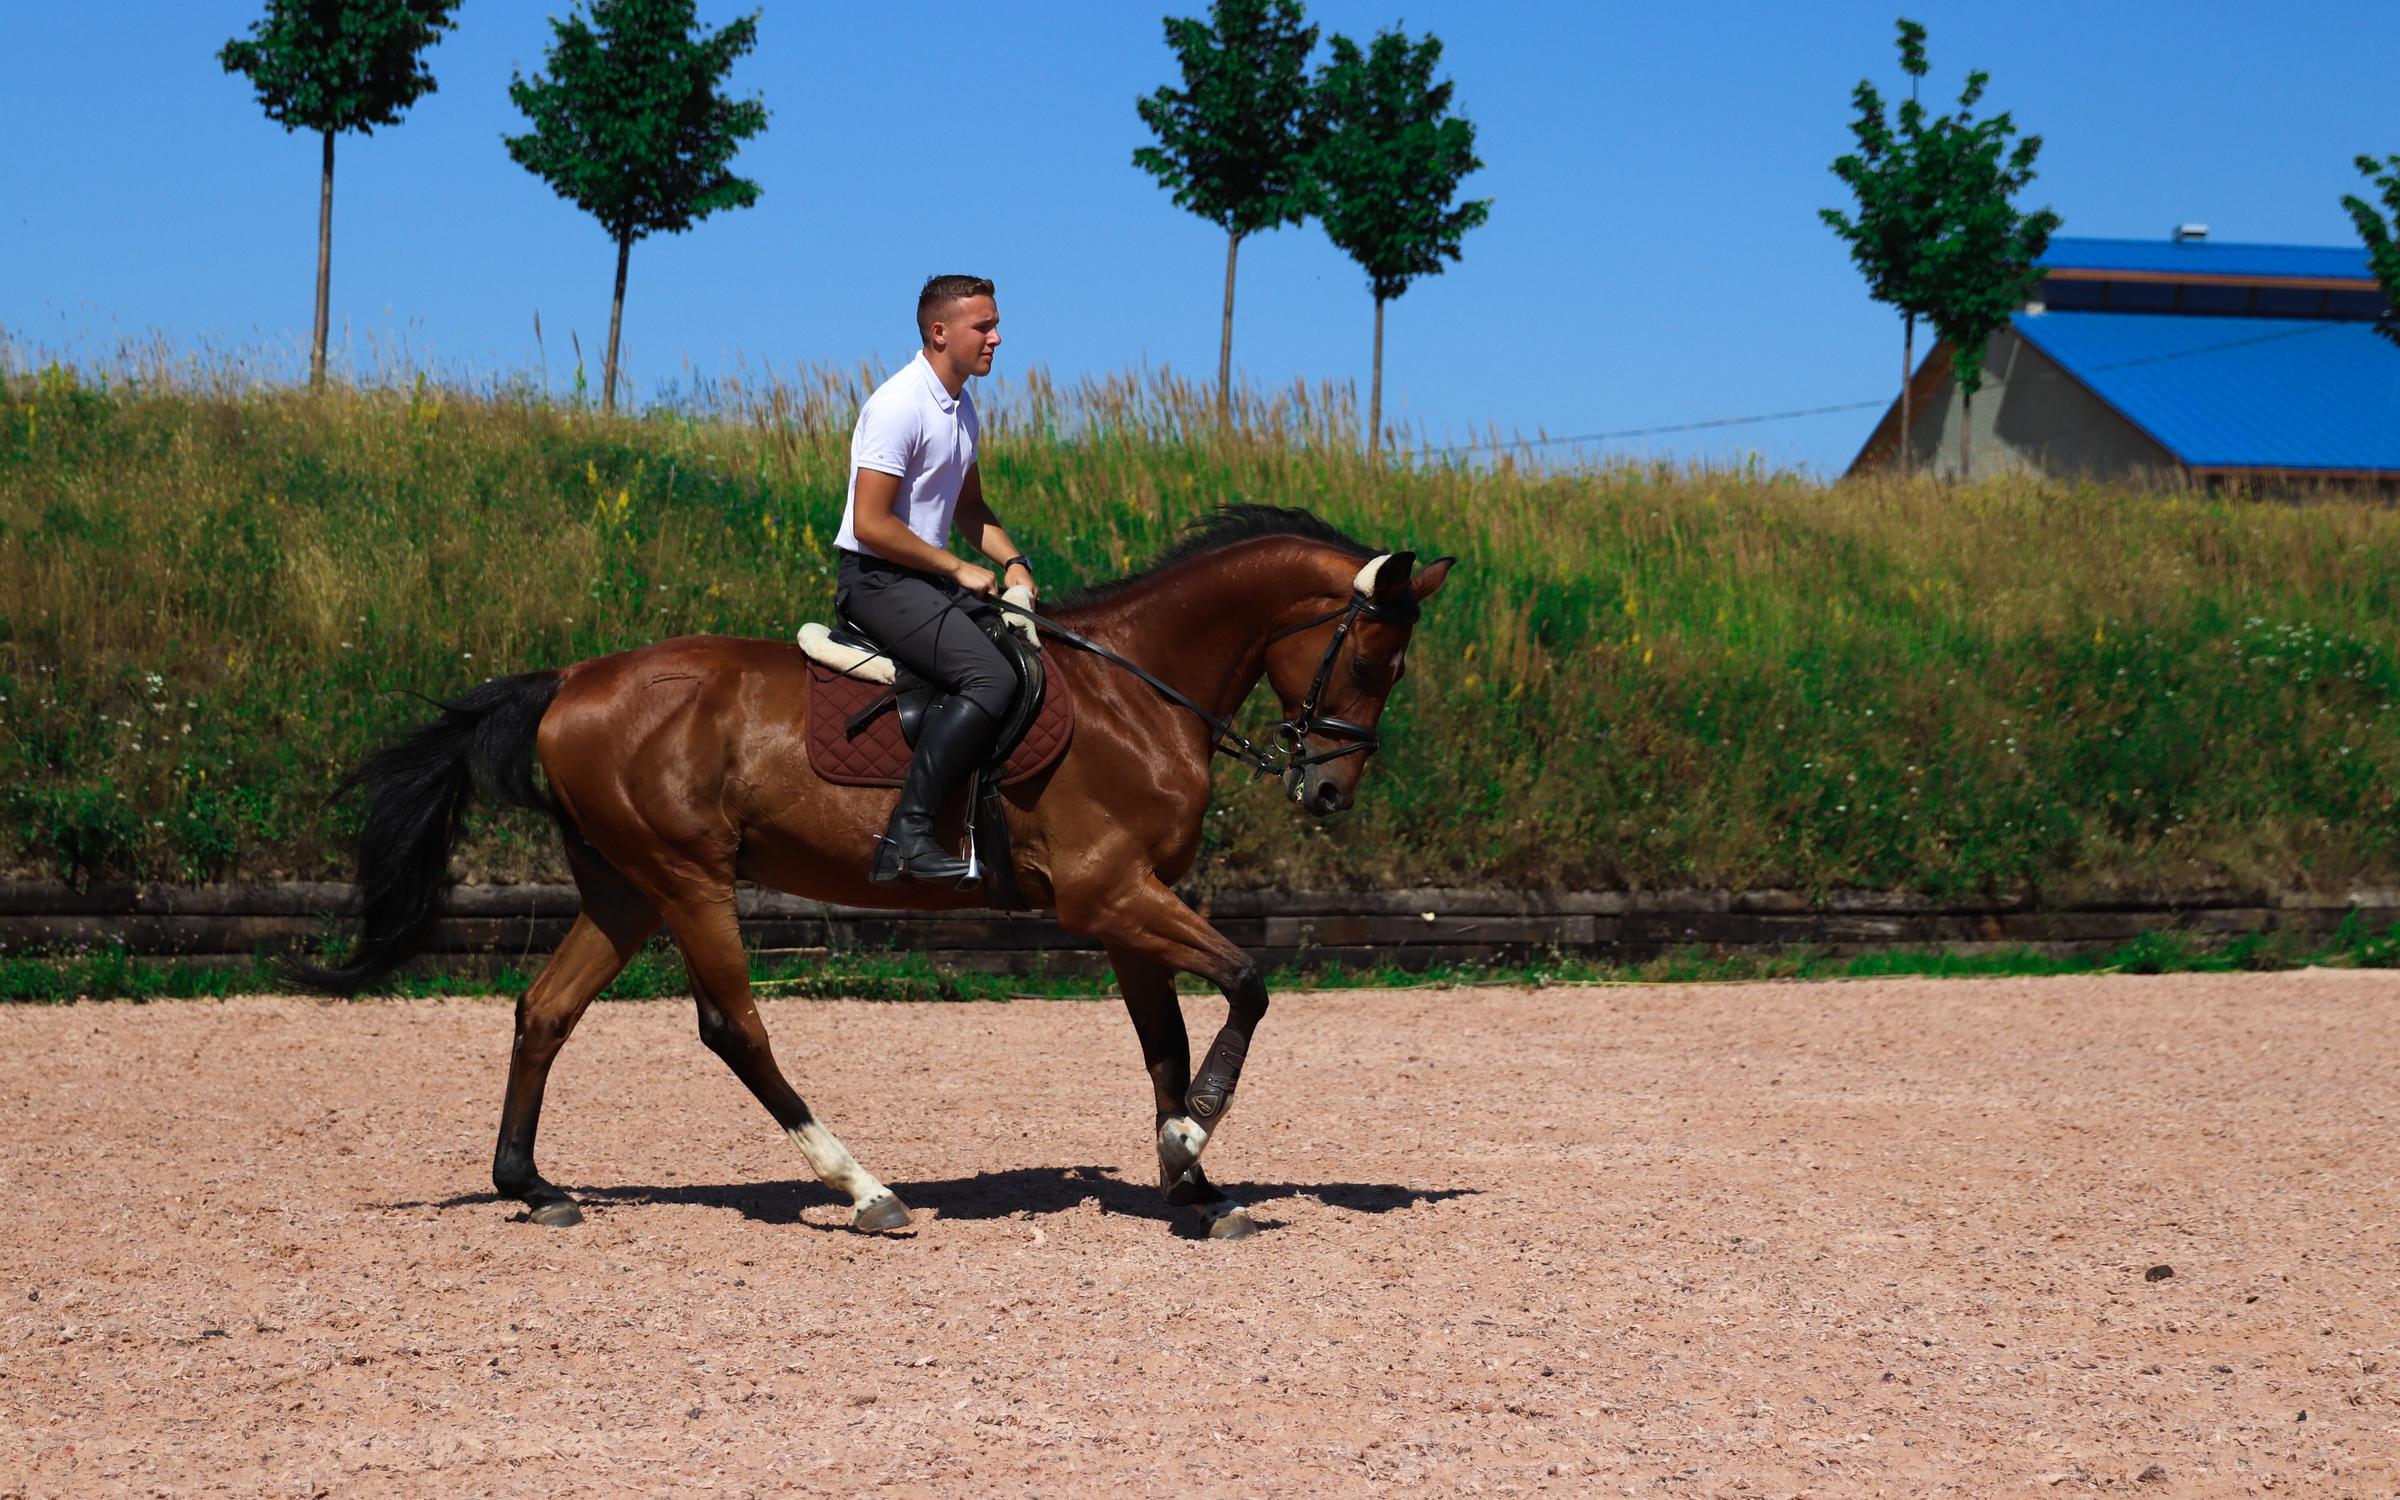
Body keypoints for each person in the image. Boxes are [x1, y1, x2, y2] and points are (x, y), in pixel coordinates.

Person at [834, 274, 1038, 886]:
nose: (997, 338)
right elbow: (871, 523)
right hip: (877, 581)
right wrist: (954, 566)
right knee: (989, 675)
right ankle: (907, 838)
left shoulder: (961, 406)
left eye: (996, 324)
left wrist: (1012, 560)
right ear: (939, 331)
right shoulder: (899, 404)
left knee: (1025, 654)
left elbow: (970, 508)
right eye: (984, 326)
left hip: (922, 582)